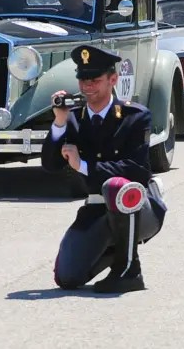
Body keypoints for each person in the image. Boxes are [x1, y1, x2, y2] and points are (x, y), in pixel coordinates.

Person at [41, 44, 166, 293]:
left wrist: (84, 166)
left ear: (113, 79)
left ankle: (129, 270)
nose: (88, 87)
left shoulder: (135, 116)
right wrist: (58, 122)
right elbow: (50, 165)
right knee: (67, 278)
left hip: (138, 205)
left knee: (116, 186)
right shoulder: (74, 117)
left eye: (95, 80)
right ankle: (113, 246)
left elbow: (138, 170)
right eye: (83, 80)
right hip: (97, 208)